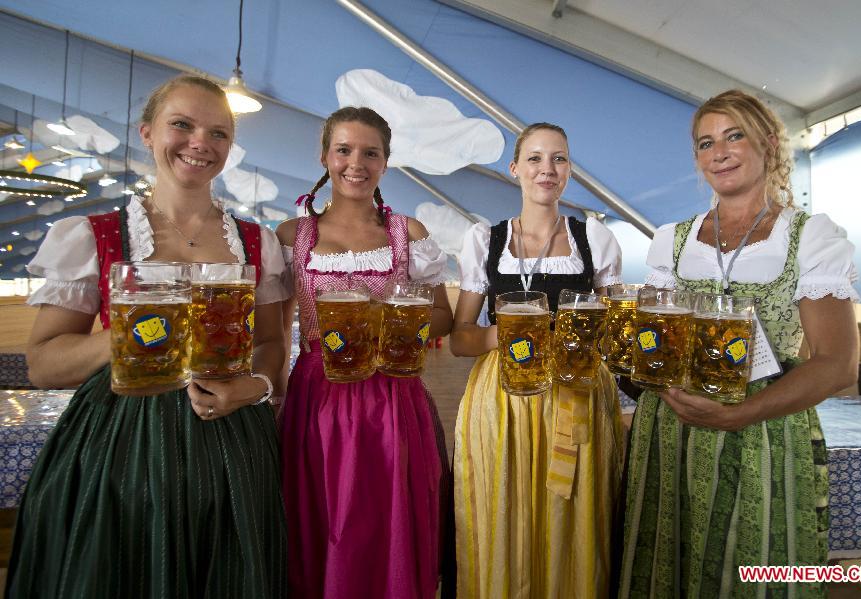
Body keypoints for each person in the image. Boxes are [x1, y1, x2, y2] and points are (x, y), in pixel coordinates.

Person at [5, 75, 288, 598]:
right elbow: (44, 364)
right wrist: (132, 335)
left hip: (232, 434)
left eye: (218, 133)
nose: (200, 142)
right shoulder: (94, 234)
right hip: (121, 440)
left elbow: (270, 345)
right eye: (181, 125)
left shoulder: (258, 243)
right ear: (147, 133)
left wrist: (254, 388)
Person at [619, 90, 860, 598]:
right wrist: (653, 377)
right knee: (670, 562)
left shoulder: (810, 236)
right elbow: (653, 346)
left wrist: (736, 415)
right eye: (706, 143)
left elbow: (838, 366)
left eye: (734, 136)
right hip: (672, 428)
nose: (719, 152)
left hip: (765, 430)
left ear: (769, 144)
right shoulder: (672, 240)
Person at [276, 106, 454, 599]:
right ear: (325, 157)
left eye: (370, 153)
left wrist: (394, 321)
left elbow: (443, 318)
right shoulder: (293, 236)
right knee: (325, 521)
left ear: (385, 162)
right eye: (344, 150)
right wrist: (270, 401)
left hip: (393, 399)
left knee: (388, 520)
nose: (357, 162)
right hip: (317, 401)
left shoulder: (408, 234)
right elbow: (272, 334)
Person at [451, 122, 626, 598]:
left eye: (559, 159)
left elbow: (615, 331)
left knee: (574, 515)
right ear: (514, 169)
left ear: (569, 170)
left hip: (578, 392)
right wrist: (505, 333)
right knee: (505, 509)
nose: (547, 169)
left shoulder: (595, 239)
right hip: (503, 399)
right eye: (535, 158)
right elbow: (459, 339)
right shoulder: (484, 241)